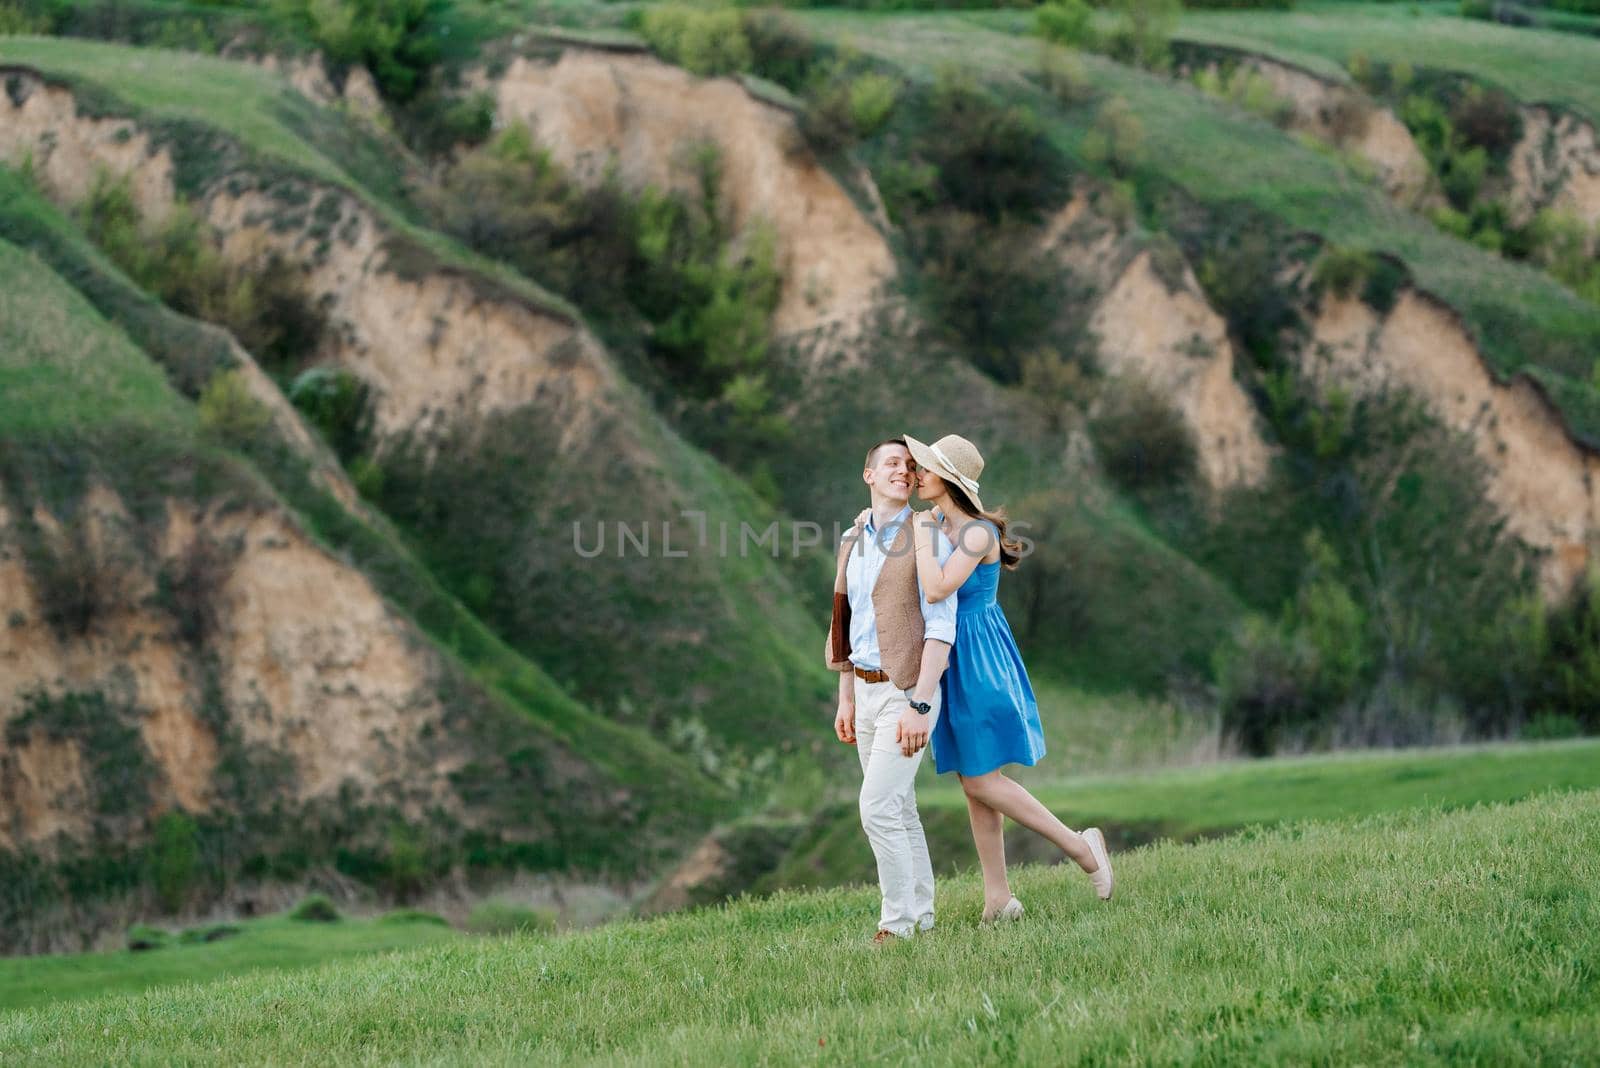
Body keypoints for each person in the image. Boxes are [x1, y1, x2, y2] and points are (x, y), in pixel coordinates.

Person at [903, 432, 1113, 923]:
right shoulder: (936, 522)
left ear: (949, 481)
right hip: (955, 657)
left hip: (980, 656)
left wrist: (919, 534)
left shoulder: (977, 533)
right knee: (975, 780)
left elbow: (936, 589)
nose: (917, 475)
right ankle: (998, 898)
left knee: (981, 779)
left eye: (925, 469)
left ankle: (1080, 847)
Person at [827, 437, 959, 944]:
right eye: (891, 464)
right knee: (899, 807)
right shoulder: (852, 536)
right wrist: (846, 695)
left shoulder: (927, 536)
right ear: (869, 476)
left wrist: (921, 704)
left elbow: (941, 627)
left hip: (908, 691)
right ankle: (922, 916)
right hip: (864, 691)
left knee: (877, 807)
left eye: (909, 466)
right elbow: (846, 618)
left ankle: (896, 924)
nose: (902, 471)